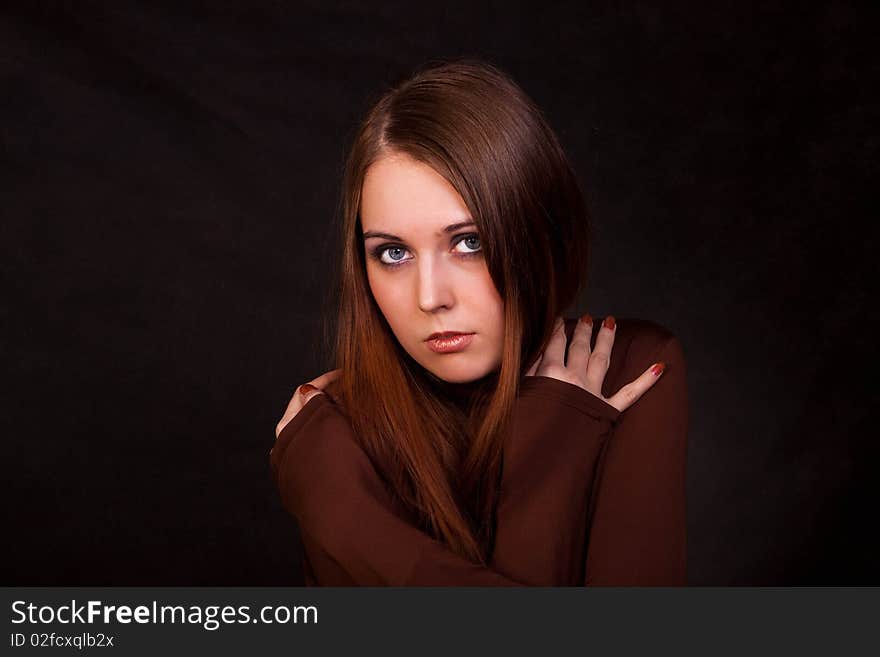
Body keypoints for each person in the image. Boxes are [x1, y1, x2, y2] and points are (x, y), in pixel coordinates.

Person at [269, 59, 688, 586]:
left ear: (539, 230)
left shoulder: (628, 368)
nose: (430, 298)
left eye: (471, 243)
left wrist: (337, 513)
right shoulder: (336, 434)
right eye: (394, 253)